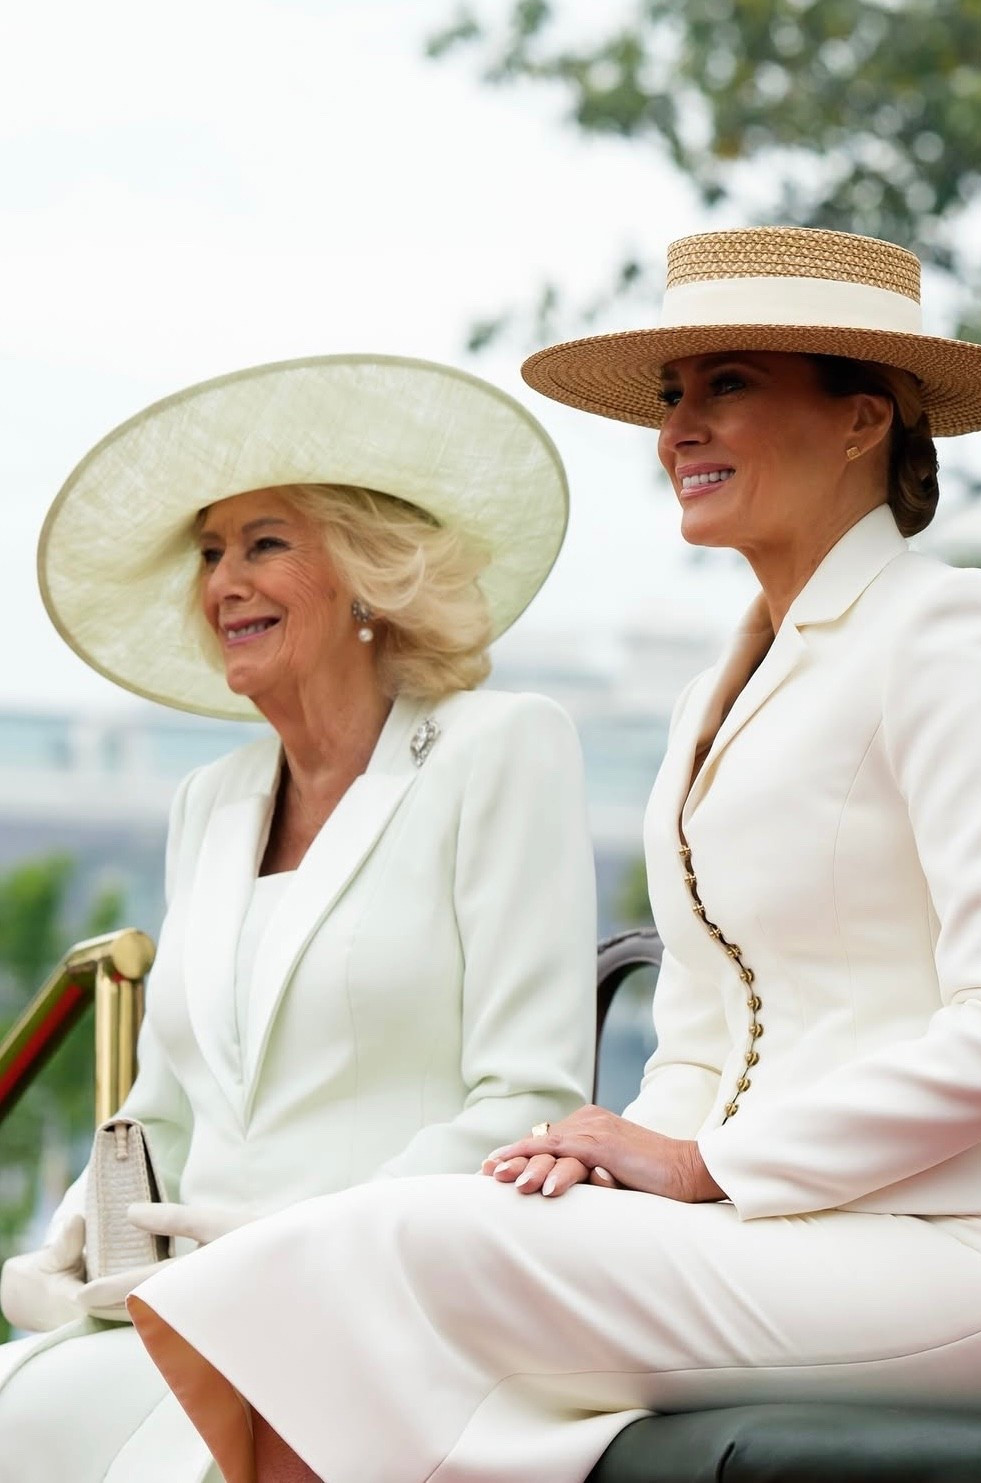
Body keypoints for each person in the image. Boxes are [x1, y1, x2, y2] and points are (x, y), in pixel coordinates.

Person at [126, 229, 981, 1483]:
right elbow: (699, 1037)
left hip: (954, 1251)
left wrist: (700, 1165)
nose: (677, 430)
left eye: (727, 385)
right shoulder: (712, 696)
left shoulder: (956, 628)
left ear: (863, 419)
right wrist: (603, 1152)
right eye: (672, 394)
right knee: (344, 1268)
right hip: (762, 1233)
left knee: (371, 1256)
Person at [0, 354, 597, 1483]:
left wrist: (292, 1250)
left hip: (383, 1319)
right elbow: (160, 1111)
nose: (224, 580)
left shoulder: (501, 748)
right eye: (210, 552)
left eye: (264, 544)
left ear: (371, 576)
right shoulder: (209, 800)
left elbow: (528, 1101)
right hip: (183, 1318)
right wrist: (83, 1228)